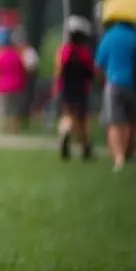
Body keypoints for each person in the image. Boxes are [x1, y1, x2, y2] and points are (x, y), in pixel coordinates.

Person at [95, 19, 136, 172]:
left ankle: (119, 158)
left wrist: (102, 82)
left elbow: (99, 63)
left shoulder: (109, 36)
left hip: (113, 84)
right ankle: (132, 153)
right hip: (134, 85)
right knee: (132, 122)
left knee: (115, 123)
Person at [53, 15, 96, 162]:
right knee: (82, 119)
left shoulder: (64, 51)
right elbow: (91, 72)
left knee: (67, 115)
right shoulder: (85, 52)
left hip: (66, 88)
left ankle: (65, 132)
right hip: (81, 89)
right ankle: (85, 147)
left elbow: (58, 70)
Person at [0, 29, 28, 134]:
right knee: (14, 109)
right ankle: (14, 130)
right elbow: (23, 70)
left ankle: (1, 130)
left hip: (3, 86)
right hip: (17, 85)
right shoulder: (18, 55)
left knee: (2, 109)